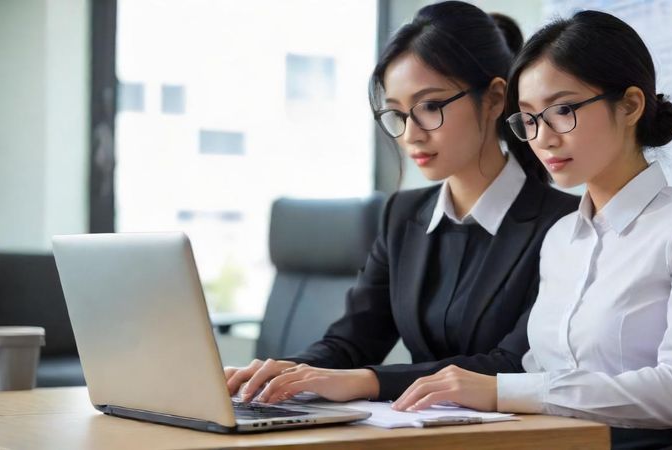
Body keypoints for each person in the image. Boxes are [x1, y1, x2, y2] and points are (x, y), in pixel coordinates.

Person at [391, 10, 672, 447]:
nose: (543, 138)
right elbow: (542, 374)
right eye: (530, 119)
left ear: (631, 104)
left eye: (562, 110)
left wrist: (500, 390)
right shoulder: (560, 237)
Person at [224, 1, 578, 404]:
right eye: (397, 113)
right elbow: (352, 343)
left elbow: (515, 364)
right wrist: (283, 374)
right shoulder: (403, 215)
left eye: (429, 106)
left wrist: (370, 381)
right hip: (412, 431)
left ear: (496, 98)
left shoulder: (563, 225)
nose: (410, 134)